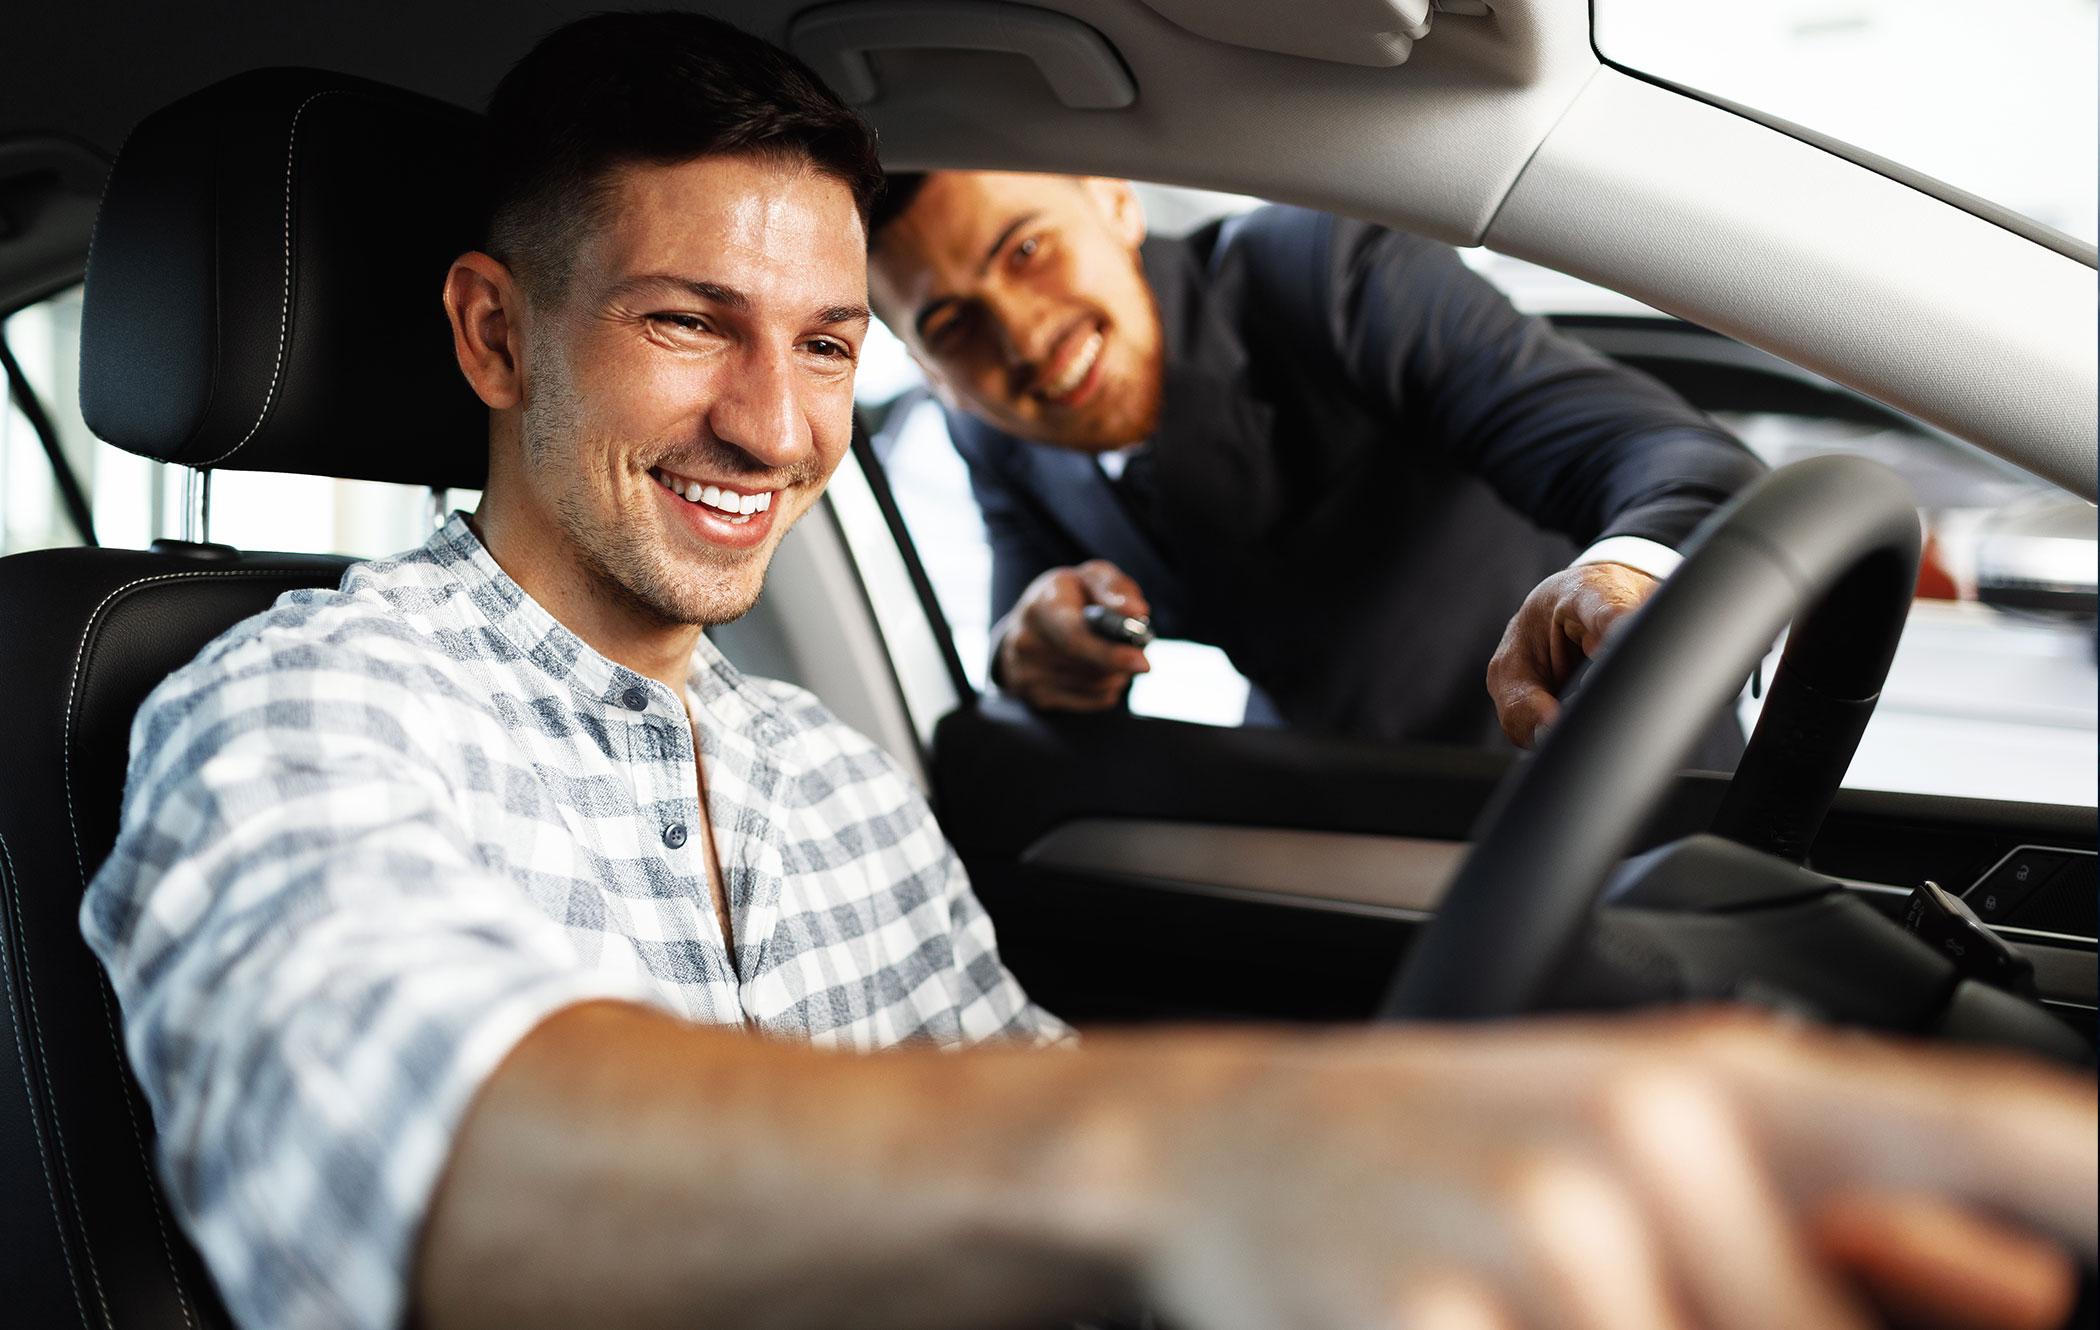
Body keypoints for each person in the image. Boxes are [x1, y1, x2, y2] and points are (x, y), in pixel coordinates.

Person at [83, 12, 2095, 1330]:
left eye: (820, 346)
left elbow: (1017, 1076)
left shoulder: (815, 764)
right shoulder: (296, 704)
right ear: (497, 336)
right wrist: (1201, 1149)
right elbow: (393, 1125)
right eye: (691, 323)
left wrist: (1422, 1157)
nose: (778, 432)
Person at [865, 173, 1768, 754]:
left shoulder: (1323, 268)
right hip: (1328, 809)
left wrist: (1618, 577)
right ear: (928, 372)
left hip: (1603, 779)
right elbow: (1032, 656)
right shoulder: (993, 434)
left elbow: (1674, 457)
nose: (1022, 338)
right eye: (950, 327)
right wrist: (1038, 656)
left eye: (1027, 249)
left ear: (1113, 201)